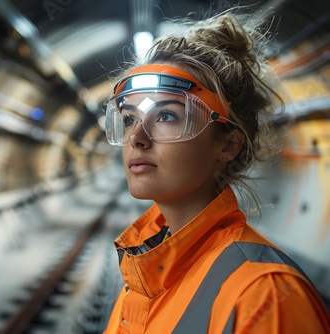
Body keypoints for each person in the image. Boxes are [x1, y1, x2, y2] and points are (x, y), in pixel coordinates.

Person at [103, 10, 330, 334]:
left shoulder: (266, 295)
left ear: (228, 145)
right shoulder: (145, 276)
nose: (136, 138)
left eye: (166, 117)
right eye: (128, 119)